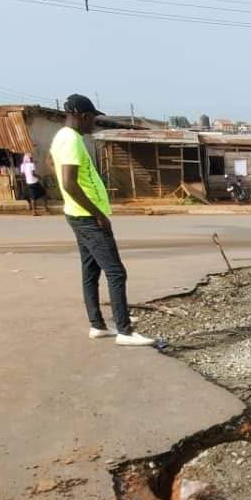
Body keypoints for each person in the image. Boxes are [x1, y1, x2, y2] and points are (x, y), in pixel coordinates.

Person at [50, 94, 155, 346]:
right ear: (82, 116)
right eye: (92, 118)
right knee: (116, 272)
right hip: (86, 216)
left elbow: (55, 168)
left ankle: (97, 325)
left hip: (77, 214)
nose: (93, 124)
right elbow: (69, 183)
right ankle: (124, 331)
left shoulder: (62, 138)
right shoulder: (71, 140)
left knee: (91, 270)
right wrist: (98, 214)